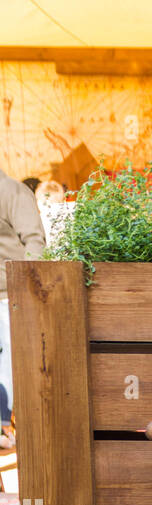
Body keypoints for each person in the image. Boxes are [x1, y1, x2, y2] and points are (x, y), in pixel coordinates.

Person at [0, 167, 47, 445]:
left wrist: (28, 288)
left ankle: (3, 425)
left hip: (9, 296)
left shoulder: (13, 191)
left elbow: (34, 242)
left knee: (8, 362)